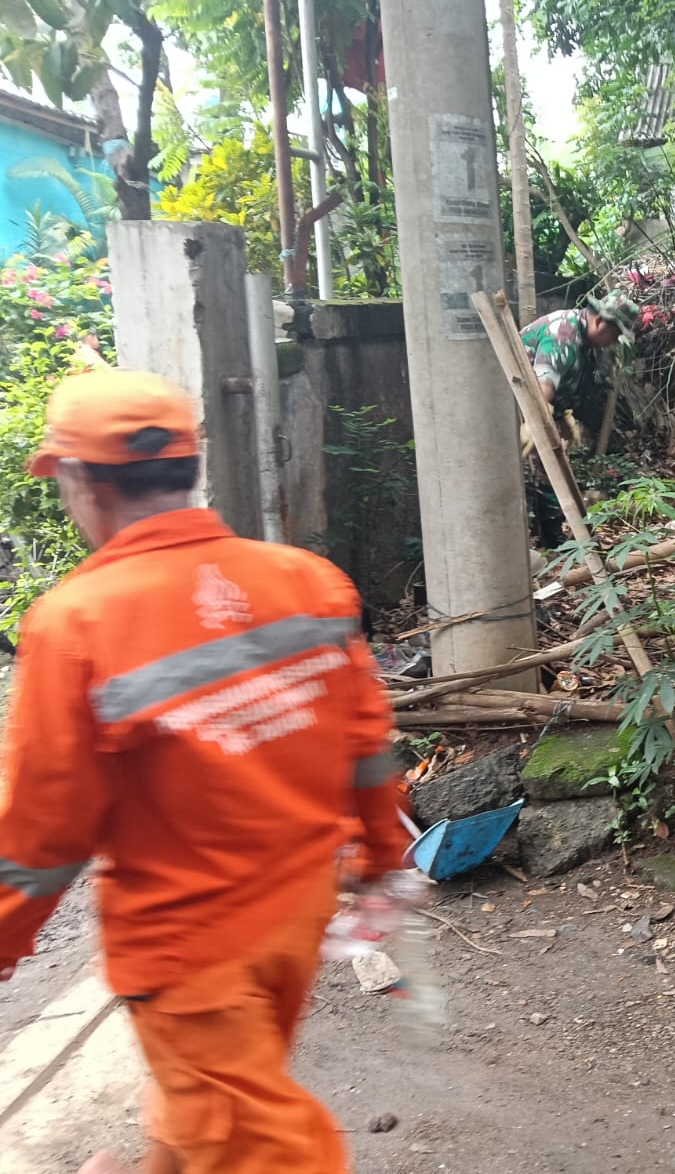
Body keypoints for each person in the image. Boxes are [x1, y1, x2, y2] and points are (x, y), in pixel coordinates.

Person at [0, 370, 411, 1174]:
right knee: (219, 1109)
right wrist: (382, 858)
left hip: (190, 953)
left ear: (80, 481)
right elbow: (367, 741)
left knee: (262, 1145)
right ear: (188, 466)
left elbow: (41, 836)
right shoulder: (306, 580)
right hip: (294, 919)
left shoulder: (75, 622)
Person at [518, 288, 641, 548]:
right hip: (516, 404)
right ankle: (551, 540)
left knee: (549, 465)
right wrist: (533, 421)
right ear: (600, 321)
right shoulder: (563, 335)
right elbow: (544, 384)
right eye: (615, 333)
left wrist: (563, 417)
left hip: (540, 405)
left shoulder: (585, 338)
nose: (614, 340)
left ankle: (549, 537)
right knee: (543, 466)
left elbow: (566, 382)